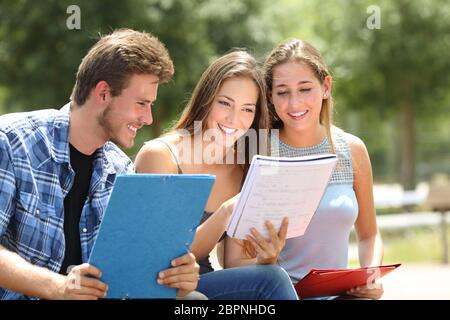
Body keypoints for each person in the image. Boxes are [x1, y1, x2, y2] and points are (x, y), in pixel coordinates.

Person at [0, 29, 200, 300]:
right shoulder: (11, 142)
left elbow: (130, 271)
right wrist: (58, 287)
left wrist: (177, 277)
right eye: (141, 103)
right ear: (103, 93)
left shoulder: (121, 170)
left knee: (193, 300)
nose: (148, 118)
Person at [223, 39, 385, 300]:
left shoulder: (352, 150)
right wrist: (265, 263)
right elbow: (232, 260)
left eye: (305, 89)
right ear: (270, 97)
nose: (295, 103)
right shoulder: (257, 153)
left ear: (326, 87)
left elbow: (369, 235)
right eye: (283, 92)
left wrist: (372, 274)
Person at [135, 50, 298, 300]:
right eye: (225, 103)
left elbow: (234, 263)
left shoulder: (244, 168)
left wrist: (266, 258)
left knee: (273, 273)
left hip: (206, 284)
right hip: (161, 286)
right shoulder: (161, 156)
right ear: (206, 99)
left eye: (247, 109)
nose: (235, 119)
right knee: (273, 279)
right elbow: (165, 259)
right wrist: (224, 214)